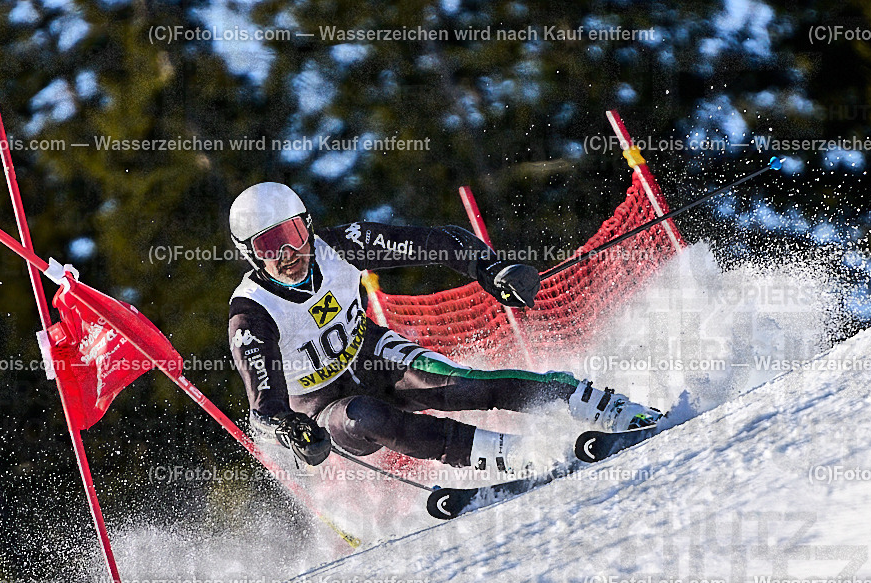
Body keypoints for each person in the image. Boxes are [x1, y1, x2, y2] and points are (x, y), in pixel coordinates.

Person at [227, 182, 661, 471]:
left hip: (374, 357)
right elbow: (263, 406)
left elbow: (436, 242)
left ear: (307, 225)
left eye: (291, 233)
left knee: (456, 384)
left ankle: (597, 403)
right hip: (323, 406)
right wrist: (292, 430)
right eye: (268, 245)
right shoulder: (251, 313)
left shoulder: (342, 245)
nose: (287, 253)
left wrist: (491, 269)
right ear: (249, 254)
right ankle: (509, 456)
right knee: (363, 418)